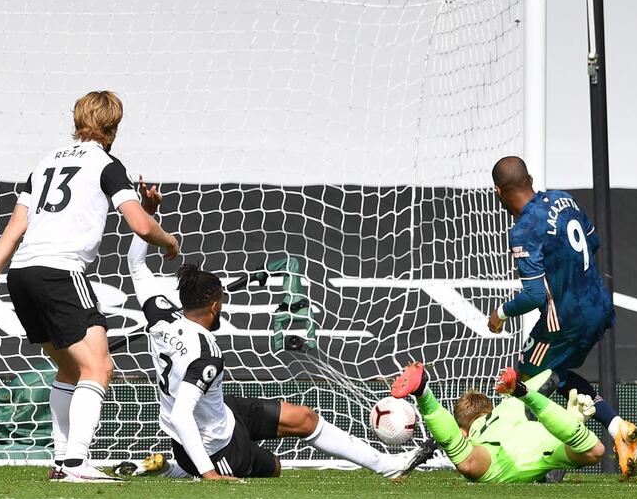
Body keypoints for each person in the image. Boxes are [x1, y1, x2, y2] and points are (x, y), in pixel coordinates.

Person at [127, 180, 432, 480]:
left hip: (221, 413)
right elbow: (181, 416)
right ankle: (175, 470)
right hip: (217, 450)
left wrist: (147, 211)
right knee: (273, 466)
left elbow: (136, 265)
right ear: (214, 306)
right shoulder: (206, 355)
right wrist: (208, 472)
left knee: (305, 418)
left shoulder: (161, 317)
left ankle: (387, 466)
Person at [0, 91, 180, 482]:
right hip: (61, 272)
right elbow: (140, 226)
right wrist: (170, 241)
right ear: (113, 127)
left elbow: (14, 228)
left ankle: (62, 462)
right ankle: (77, 461)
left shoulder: (44, 164)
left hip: (22, 274)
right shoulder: (107, 164)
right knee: (98, 367)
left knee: (69, 369)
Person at [486, 156, 637, 477]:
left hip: (566, 318)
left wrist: (500, 314)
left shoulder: (524, 230)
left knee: (526, 379)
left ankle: (541, 465)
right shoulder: (562, 199)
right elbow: (593, 240)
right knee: (556, 374)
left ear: (499, 192)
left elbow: (534, 296)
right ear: (529, 178)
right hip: (598, 304)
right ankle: (616, 427)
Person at [391, 362, 603, 483]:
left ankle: (423, 392)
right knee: (595, 451)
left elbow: (438, 443)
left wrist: (406, 470)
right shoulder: (508, 404)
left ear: (462, 430)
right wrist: (571, 419)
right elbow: (551, 376)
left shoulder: (470, 435)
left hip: (499, 457)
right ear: (489, 408)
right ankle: (524, 392)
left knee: (468, 462)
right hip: (548, 442)